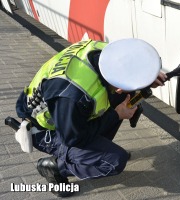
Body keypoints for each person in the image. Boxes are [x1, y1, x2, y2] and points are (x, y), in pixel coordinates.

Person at [15, 38, 167, 197]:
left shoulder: (107, 54)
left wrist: (147, 77)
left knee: (122, 101)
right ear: (120, 84)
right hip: (44, 129)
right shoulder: (73, 95)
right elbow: (72, 138)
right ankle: (55, 167)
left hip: (68, 114)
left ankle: (95, 151)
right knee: (114, 161)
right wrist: (116, 114)